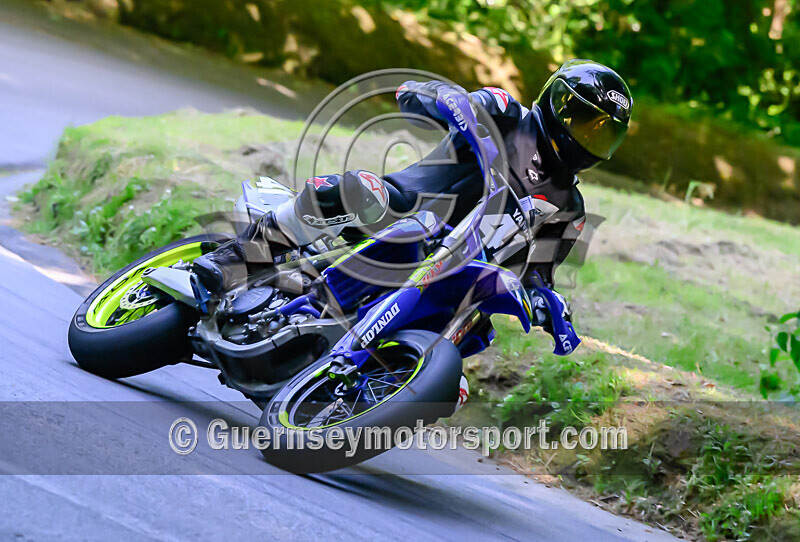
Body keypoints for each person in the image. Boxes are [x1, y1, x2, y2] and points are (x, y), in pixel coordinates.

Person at [193, 59, 633, 335]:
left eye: (604, 133)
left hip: (454, 273)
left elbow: (539, 272)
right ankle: (234, 260)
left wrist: (546, 301)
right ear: (559, 105)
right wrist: (450, 103)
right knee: (362, 192)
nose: (589, 138)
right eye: (585, 122)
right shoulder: (506, 112)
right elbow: (415, 94)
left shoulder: (570, 208)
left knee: (472, 336)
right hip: (410, 209)